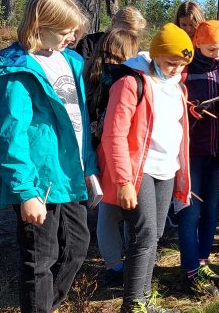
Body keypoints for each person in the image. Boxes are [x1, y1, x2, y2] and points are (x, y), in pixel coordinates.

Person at [0, 0, 97, 313]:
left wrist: (89, 166)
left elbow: (79, 120)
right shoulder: (15, 68)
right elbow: (9, 134)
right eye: (66, 30)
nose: (73, 37)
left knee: (76, 249)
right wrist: (25, 192)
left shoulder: (71, 60)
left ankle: (47, 306)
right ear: (41, 24)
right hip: (39, 181)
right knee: (40, 259)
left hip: (71, 175)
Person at [98, 22, 194, 313]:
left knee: (156, 234)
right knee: (143, 235)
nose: (176, 69)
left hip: (167, 169)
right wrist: (124, 181)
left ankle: (144, 297)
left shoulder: (177, 87)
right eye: (171, 63)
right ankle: (133, 304)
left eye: (182, 64)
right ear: (155, 55)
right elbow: (113, 135)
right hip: (139, 170)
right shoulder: (131, 83)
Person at [178, 20, 219, 295]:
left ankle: (203, 261)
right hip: (189, 154)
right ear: (197, 44)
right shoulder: (184, 72)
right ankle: (190, 270)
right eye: (212, 48)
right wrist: (188, 110)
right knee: (190, 213)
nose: (218, 54)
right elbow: (171, 106)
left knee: (212, 210)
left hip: (218, 153)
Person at [82, 28, 141, 286]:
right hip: (120, 152)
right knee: (125, 210)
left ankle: (113, 263)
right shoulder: (123, 79)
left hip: (97, 151)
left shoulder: (90, 76)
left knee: (107, 211)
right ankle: (124, 263)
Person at [75, 6, 146, 59]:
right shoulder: (89, 42)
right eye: (124, 32)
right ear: (114, 21)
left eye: (132, 35)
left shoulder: (137, 53)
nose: (126, 37)